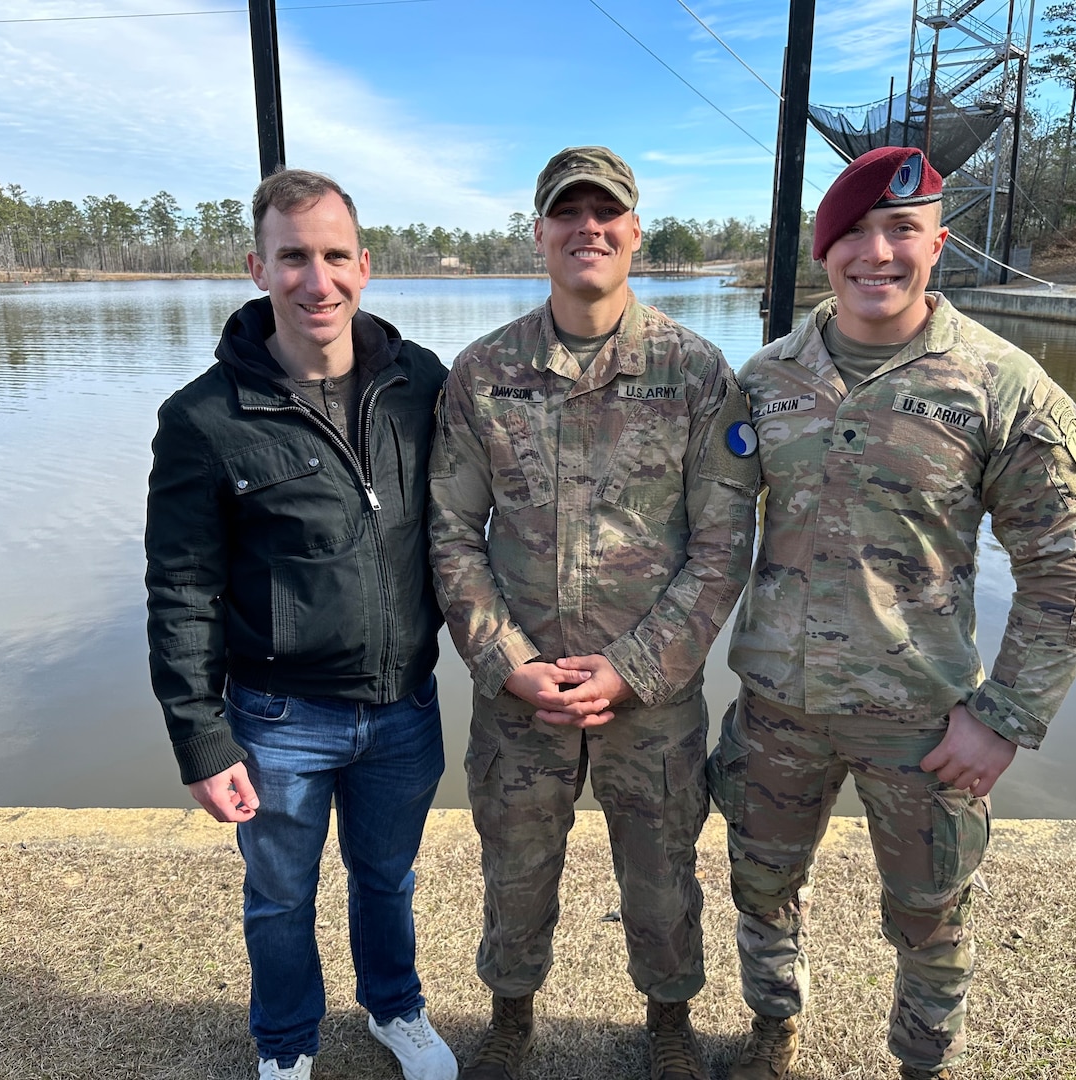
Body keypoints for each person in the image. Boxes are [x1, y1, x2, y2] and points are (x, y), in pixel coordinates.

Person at [712, 146, 1076, 1080]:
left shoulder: (1002, 387)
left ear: (939, 242)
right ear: (824, 251)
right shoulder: (767, 379)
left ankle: (922, 1065)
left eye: (901, 231)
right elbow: (711, 539)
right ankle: (773, 1034)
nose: (875, 254)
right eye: (853, 235)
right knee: (761, 889)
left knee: (931, 918)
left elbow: (1066, 569)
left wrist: (1004, 719)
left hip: (925, 723)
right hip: (778, 709)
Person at [428, 146, 760, 1080]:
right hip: (521, 697)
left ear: (634, 232)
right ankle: (510, 1020)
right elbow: (451, 534)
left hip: (649, 700)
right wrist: (507, 662)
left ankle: (667, 1025)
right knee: (516, 872)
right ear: (538, 232)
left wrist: (637, 666)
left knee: (662, 881)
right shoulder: (483, 372)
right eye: (566, 213)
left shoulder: (696, 373)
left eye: (605, 212)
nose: (588, 228)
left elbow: (722, 544)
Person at [144, 168, 458, 1080]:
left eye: (332, 257)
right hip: (279, 719)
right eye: (292, 258)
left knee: (387, 879)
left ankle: (394, 1008)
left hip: (404, 706)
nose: (314, 282)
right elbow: (179, 588)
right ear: (257, 267)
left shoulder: (421, 384)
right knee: (279, 896)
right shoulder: (202, 419)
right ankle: (285, 1044)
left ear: (365, 266)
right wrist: (200, 738)